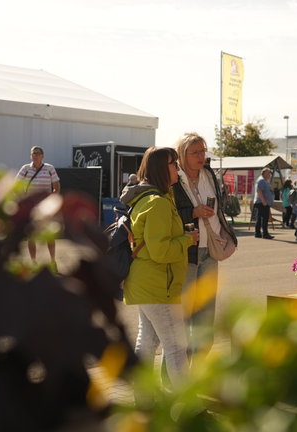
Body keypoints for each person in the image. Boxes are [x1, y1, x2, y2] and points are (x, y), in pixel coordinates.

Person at [121, 146, 197, 393]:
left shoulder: (147, 198)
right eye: (174, 164)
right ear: (160, 170)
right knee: (176, 346)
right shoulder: (157, 203)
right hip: (158, 286)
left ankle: (142, 398)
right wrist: (188, 240)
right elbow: (161, 252)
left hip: (146, 284)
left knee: (148, 341)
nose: (178, 168)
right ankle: (189, 407)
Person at [172, 132, 238, 362]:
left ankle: (198, 371)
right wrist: (193, 212)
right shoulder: (173, 178)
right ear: (182, 154)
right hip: (186, 252)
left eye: (203, 151)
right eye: (195, 152)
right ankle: (177, 376)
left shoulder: (208, 174)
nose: (202, 156)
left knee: (206, 318)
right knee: (184, 317)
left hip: (210, 249)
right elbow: (167, 214)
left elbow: (219, 206)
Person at [15, 146, 60, 268]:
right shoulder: (25, 169)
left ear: (42, 156)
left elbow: (56, 186)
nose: (35, 156)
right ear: (30, 156)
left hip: (46, 208)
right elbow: (16, 184)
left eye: (38, 153)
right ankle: (34, 262)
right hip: (31, 207)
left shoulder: (49, 168)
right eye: (33, 154)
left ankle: (52, 261)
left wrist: (52, 201)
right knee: (31, 235)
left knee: (49, 234)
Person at [253, 167, 275, 239]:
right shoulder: (262, 180)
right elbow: (259, 191)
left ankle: (258, 233)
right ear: (264, 173)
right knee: (264, 218)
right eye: (268, 173)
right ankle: (265, 233)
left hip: (262, 202)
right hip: (262, 202)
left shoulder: (264, 180)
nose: (270, 175)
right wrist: (264, 201)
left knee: (260, 218)